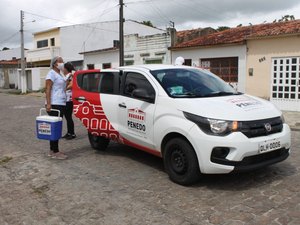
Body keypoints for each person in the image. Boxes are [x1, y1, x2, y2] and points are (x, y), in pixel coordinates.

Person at [45, 56, 67, 160]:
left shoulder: (60, 73)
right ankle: (55, 151)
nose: (62, 63)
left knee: (56, 127)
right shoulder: (51, 73)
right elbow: (48, 88)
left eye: (62, 61)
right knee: (55, 128)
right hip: (54, 103)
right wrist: (48, 103)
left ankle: (52, 150)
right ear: (54, 63)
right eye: (60, 61)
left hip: (61, 102)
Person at [62, 62, 76, 140]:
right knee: (67, 117)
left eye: (64, 68)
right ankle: (69, 132)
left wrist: (64, 88)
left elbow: (72, 85)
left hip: (69, 99)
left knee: (68, 116)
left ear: (66, 69)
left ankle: (72, 133)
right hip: (65, 98)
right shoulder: (67, 76)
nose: (63, 69)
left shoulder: (70, 75)